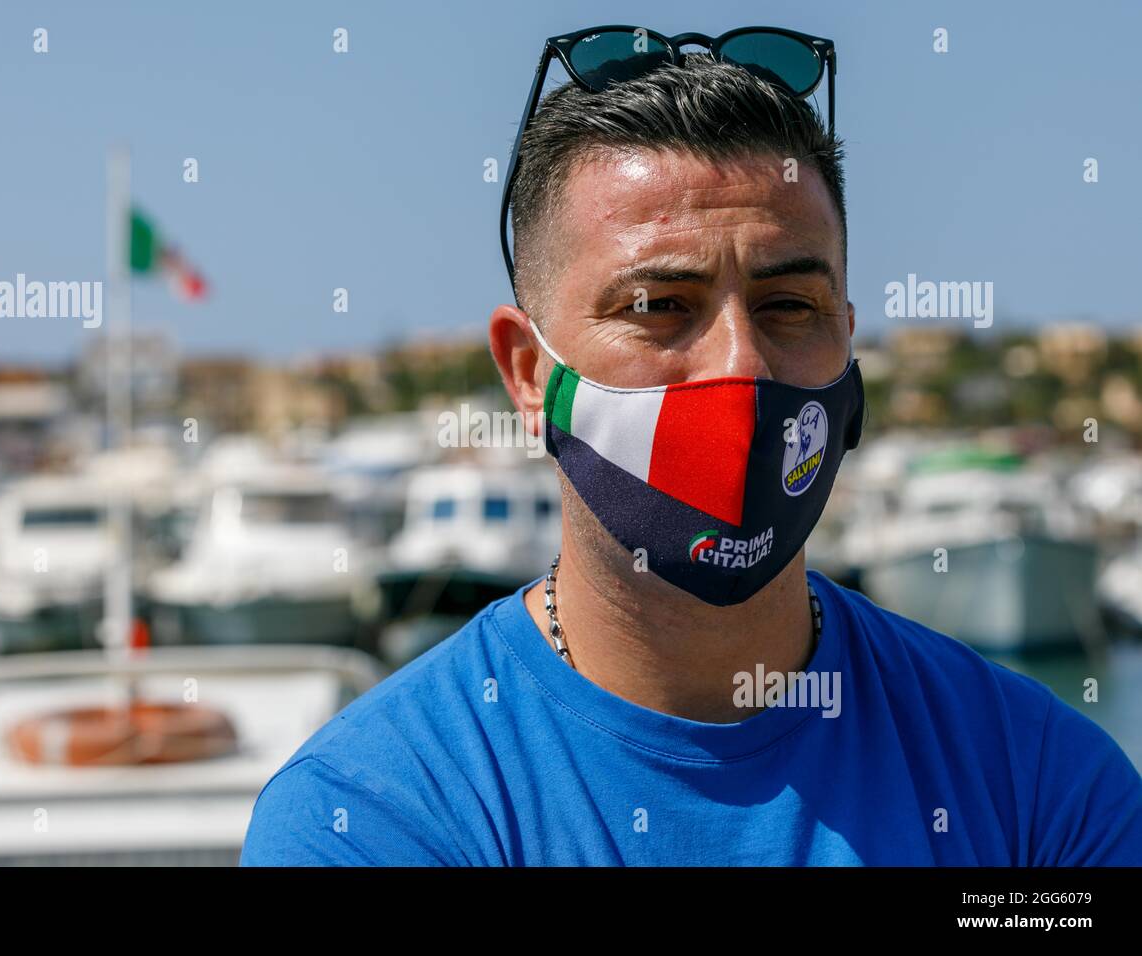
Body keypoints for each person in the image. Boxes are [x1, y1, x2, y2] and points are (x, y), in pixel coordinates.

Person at [242, 41, 1142, 866]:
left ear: (849, 343)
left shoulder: (1038, 786)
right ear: (526, 374)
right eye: (659, 306)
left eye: (789, 305)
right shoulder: (372, 817)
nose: (742, 365)